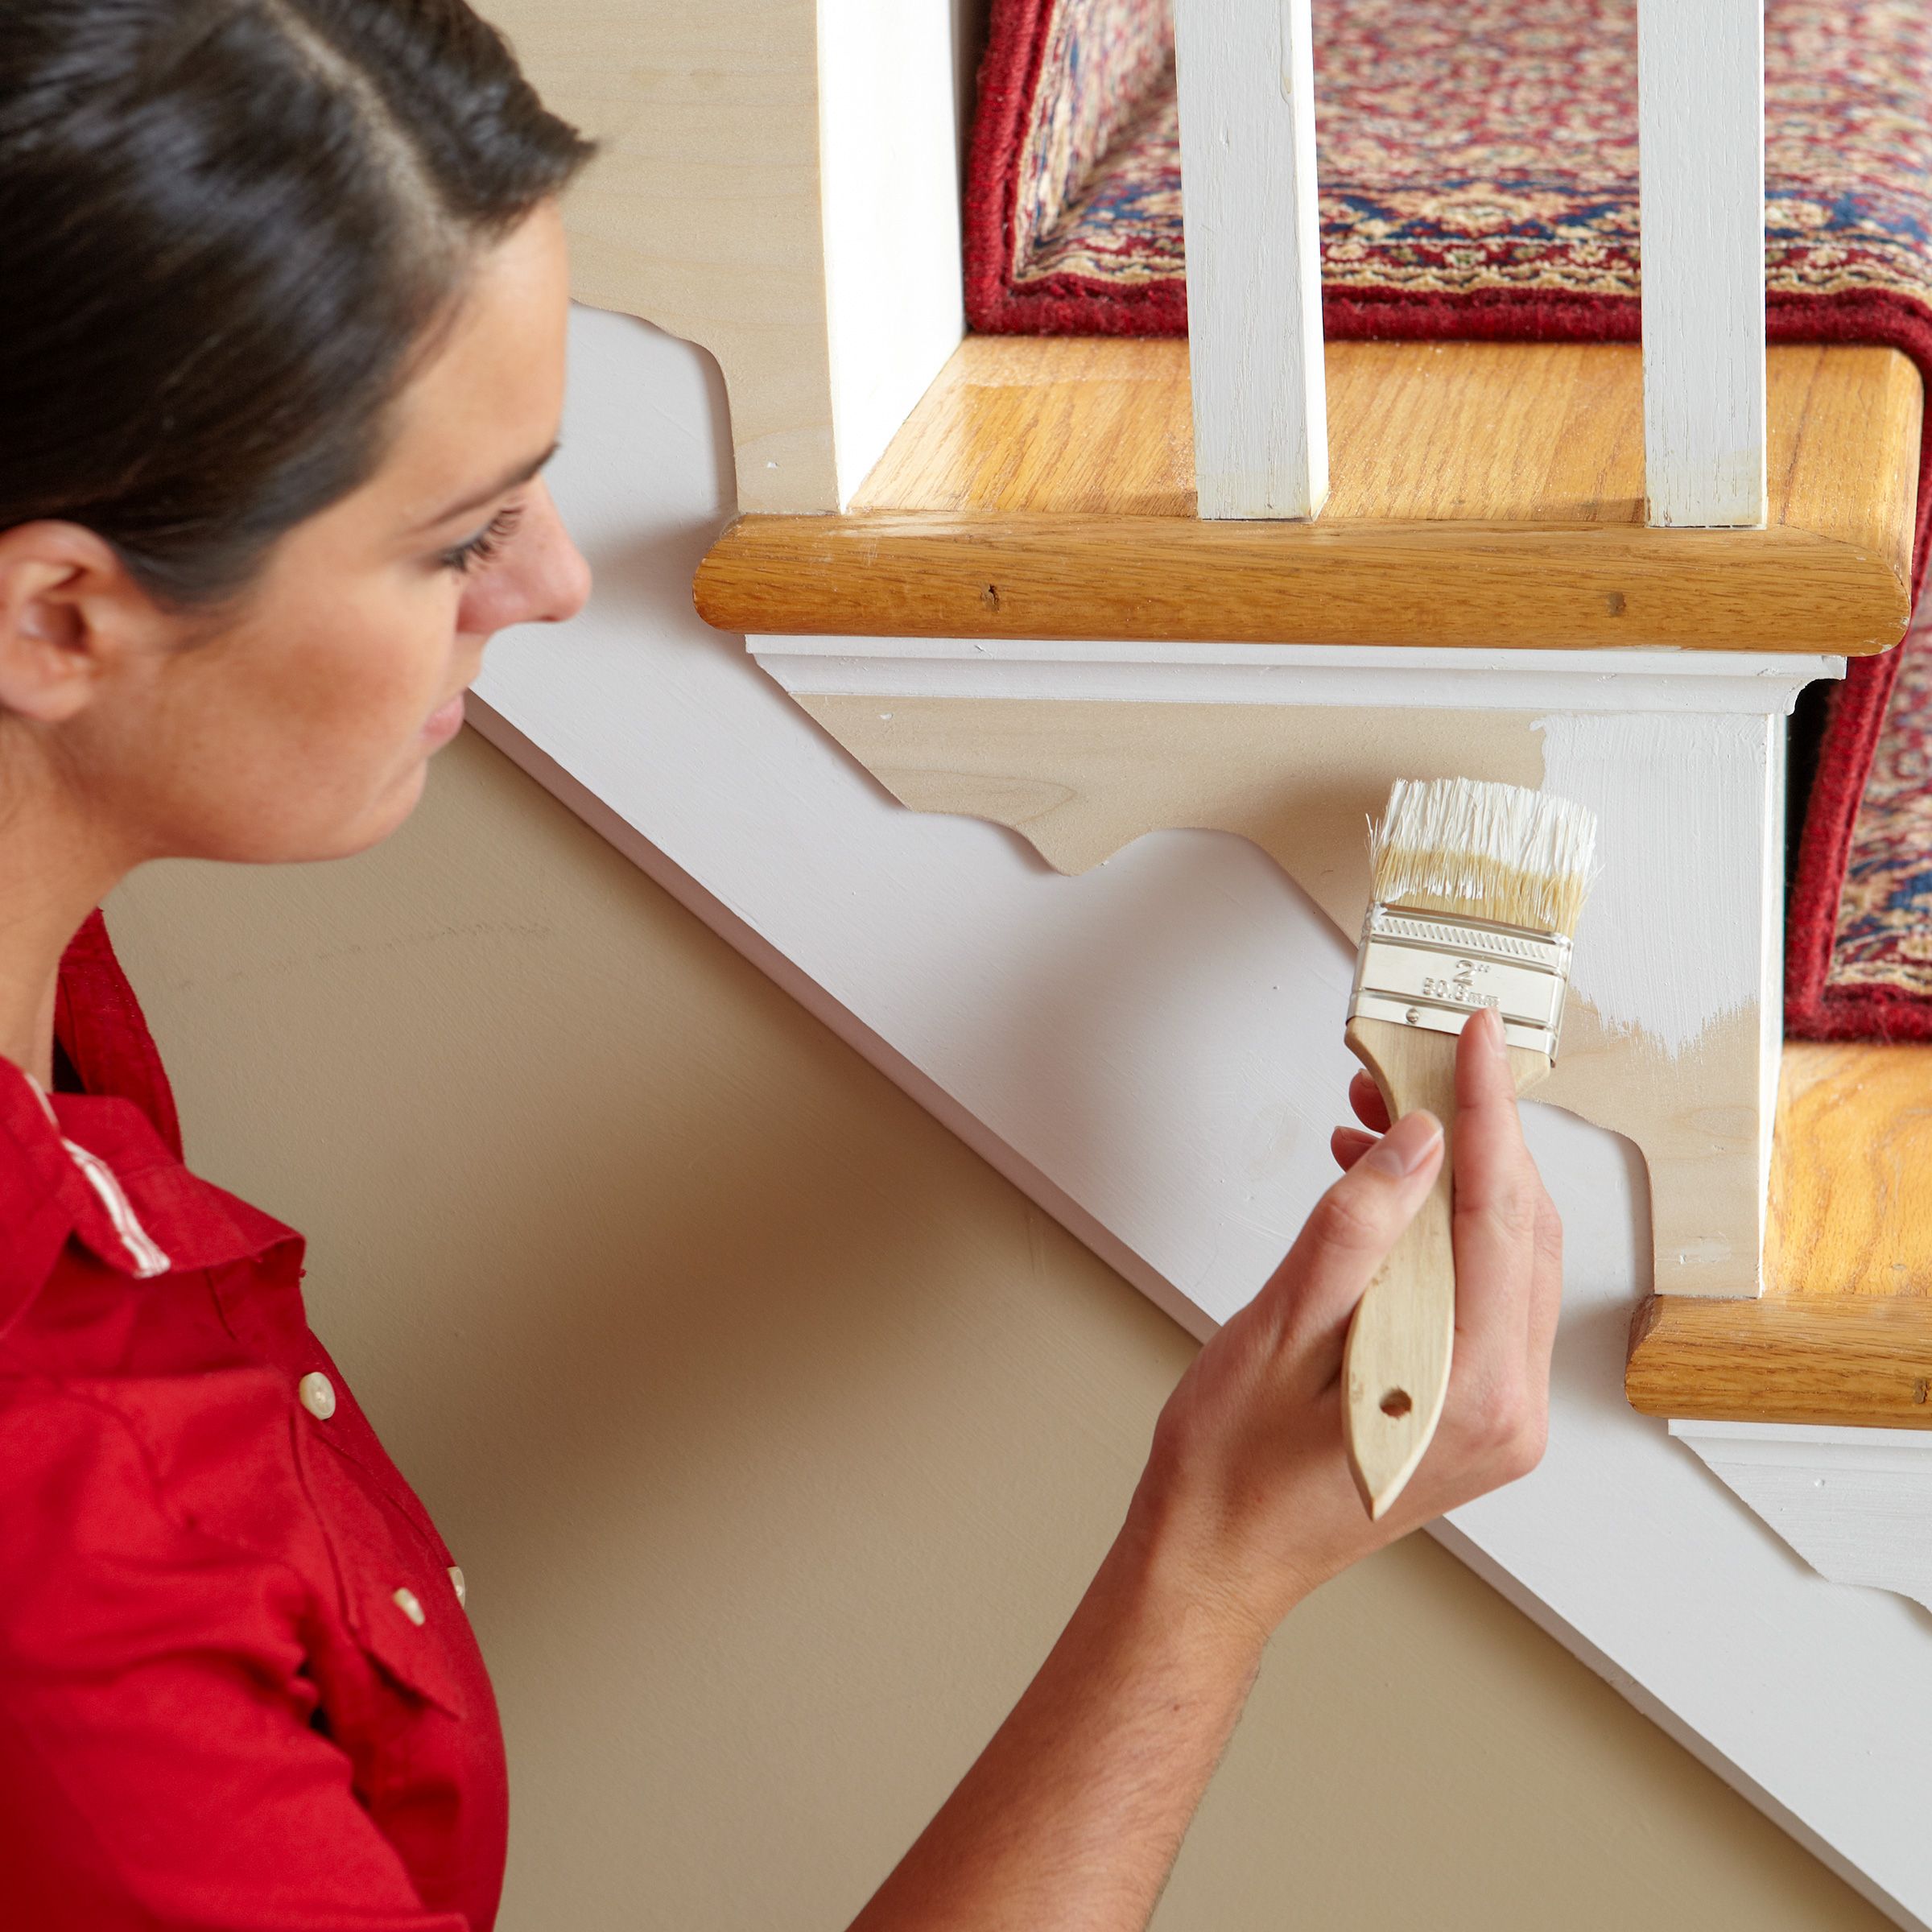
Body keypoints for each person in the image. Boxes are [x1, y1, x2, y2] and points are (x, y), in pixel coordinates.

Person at [0, 2, 1563, 1926]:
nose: (554, 583)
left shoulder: (45, 1005)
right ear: (60, 617)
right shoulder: (62, 1585)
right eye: (456, 539)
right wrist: (1210, 1568)